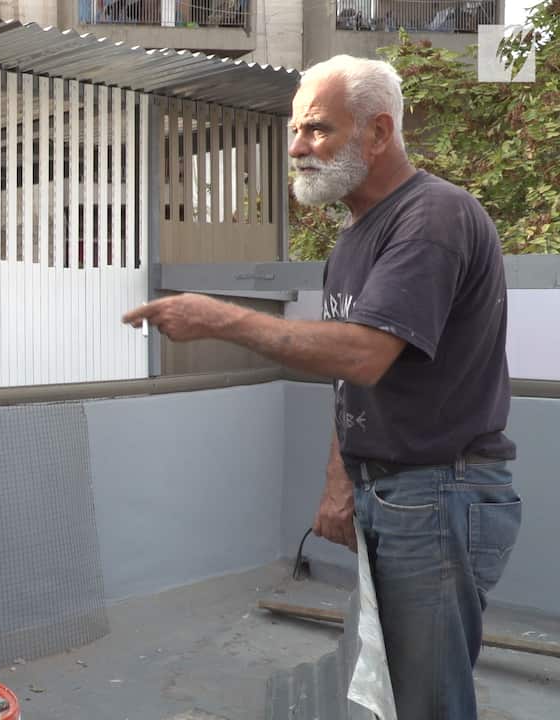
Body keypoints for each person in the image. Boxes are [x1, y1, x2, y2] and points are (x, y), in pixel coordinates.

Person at [122, 54, 521, 719]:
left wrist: (220, 318)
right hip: (391, 490)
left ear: (379, 131)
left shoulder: (433, 218)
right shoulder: (353, 239)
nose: (297, 147)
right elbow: (355, 383)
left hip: (439, 494)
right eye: (296, 131)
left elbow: (363, 355)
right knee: (394, 688)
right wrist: (340, 483)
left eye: (316, 130)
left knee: (428, 701)